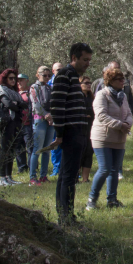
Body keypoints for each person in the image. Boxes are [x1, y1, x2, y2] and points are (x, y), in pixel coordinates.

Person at [49, 44, 92, 224]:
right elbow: (57, 106)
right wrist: (59, 133)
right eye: (85, 60)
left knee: (68, 174)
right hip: (71, 132)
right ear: (74, 58)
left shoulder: (74, 77)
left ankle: (66, 215)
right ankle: (66, 216)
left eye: (89, 60)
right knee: (69, 176)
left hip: (80, 131)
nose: (87, 64)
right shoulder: (64, 75)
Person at [87, 66, 132, 210]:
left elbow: (129, 113)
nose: (122, 81)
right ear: (110, 81)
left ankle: (112, 200)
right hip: (102, 138)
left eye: (123, 79)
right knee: (105, 169)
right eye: (119, 79)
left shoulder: (123, 96)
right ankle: (91, 200)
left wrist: (127, 123)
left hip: (119, 139)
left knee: (114, 170)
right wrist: (120, 125)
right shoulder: (102, 95)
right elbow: (101, 115)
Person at [0, 68, 26, 186]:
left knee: (12, 150)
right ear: (5, 79)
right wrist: (17, 104)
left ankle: (9, 177)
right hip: (7, 123)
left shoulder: (14, 92)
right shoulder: (2, 91)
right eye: (10, 78)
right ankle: (2, 178)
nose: (13, 80)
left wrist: (17, 104)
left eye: (14, 78)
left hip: (17, 122)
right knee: (5, 150)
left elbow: (25, 104)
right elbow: (10, 105)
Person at [28, 66, 56, 185]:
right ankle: (32, 177)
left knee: (47, 149)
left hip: (50, 121)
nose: (47, 77)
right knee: (37, 149)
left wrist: (52, 116)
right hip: (39, 120)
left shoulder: (50, 88)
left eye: (49, 75)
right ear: (38, 75)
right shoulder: (34, 87)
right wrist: (46, 115)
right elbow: (36, 104)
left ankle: (43, 176)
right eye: (44, 75)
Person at [79, 75, 95, 183]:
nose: (89, 85)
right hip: (79, 128)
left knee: (89, 152)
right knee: (79, 152)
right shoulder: (77, 97)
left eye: (89, 83)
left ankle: (85, 178)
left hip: (91, 127)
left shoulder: (92, 97)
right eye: (86, 83)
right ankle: (75, 176)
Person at [49, 62, 64, 177]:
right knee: (55, 144)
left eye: (61, 69)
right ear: (53, 71)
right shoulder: (49, 84)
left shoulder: (66, 82)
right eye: (57, 70)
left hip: (65, 117)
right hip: (53, 118)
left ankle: (65, 167)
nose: (59, 71)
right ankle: (56, 168)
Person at [17, 73, 32, 175]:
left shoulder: (30, 92)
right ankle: (22, 167)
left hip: (28, 123)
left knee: (29, 147)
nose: (19, 82)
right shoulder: (14, 93)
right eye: (18, 80)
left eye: (21, 80)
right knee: (18, 147)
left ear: (26, 81)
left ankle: (32, 167)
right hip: (17, 124)